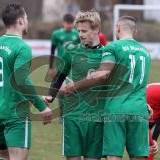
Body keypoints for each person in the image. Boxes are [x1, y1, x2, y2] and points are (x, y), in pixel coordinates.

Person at [66, 15, 151, 160]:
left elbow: (102, 74)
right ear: (134, 32)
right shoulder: (145, 52)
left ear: (117, 28)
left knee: (113, 156)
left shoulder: (113, 47)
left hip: (116, 109)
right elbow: (136, 81)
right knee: (138, 156)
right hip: (139, 109)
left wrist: (75, 85)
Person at [0, 4, 52, 160]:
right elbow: (21, 79)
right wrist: (42, 107)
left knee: (3, 157)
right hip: (15, 115)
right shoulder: (22, 47)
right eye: (26, 18)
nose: (27, 21)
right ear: (20, 21)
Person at [44, 11, 105, 160]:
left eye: (84, 31)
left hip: (96, 117)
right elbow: (60, 76)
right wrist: (50, 96)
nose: (80, 34)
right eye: (78, 31)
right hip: (73, 116)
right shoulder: (71, 50)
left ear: (96, 29)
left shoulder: (107, 54)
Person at [47, 13, 80, 78]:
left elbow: (80, 49)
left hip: (73, 65)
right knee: (56, 86)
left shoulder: (77, 34)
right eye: (68, 23)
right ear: (63, 23)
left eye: (71, 23)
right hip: (60, 64)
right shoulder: (56, 34)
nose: (70, 25)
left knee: (72, 86)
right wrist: (50, 67)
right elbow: (52, 51)